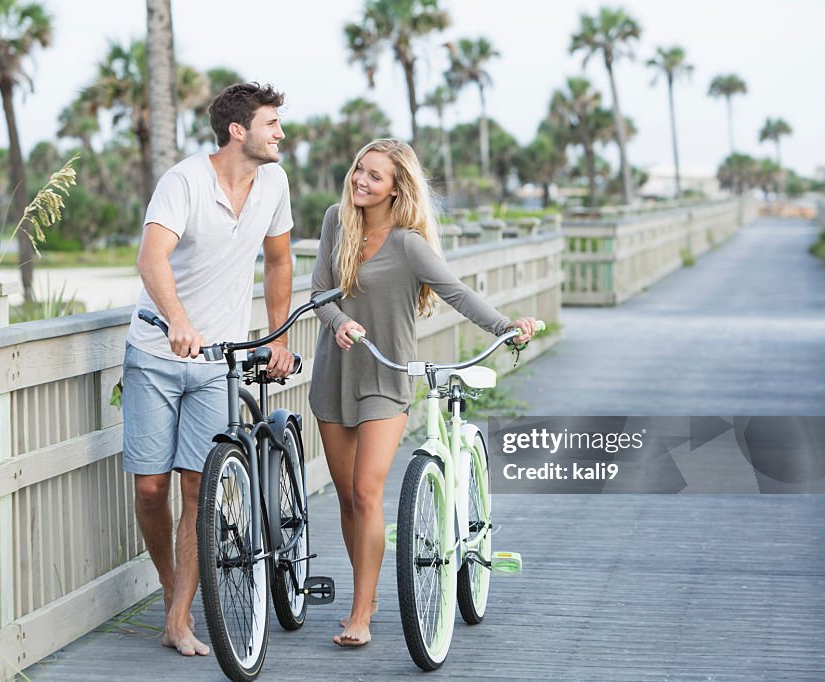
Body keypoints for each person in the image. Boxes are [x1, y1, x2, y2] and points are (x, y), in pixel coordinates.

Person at [308, 138, 537, 647]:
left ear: (396, 189)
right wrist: (340, 321)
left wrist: (506, 327)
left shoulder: (409, 243)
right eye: (358, 171)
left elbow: (457, 292)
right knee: (346, 498)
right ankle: (365, 596)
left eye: (374, 176)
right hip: (334, 374)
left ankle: (359, 614)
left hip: (386, 380)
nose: (360, 181)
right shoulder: (335, 221)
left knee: (368, 492)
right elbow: (319, 293)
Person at [122, 82, 296, 657]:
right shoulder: (184, 181)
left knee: (198, 485)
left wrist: (278, 336)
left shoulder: (274, 183)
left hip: (217, 363)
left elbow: (278, 260)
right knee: (151, 488)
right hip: (156, 353)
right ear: (238, 130)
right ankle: (179, 596)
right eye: (272, 123)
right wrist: (176, 319)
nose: (281, 134)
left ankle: (177, 618)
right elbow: (152, 256)